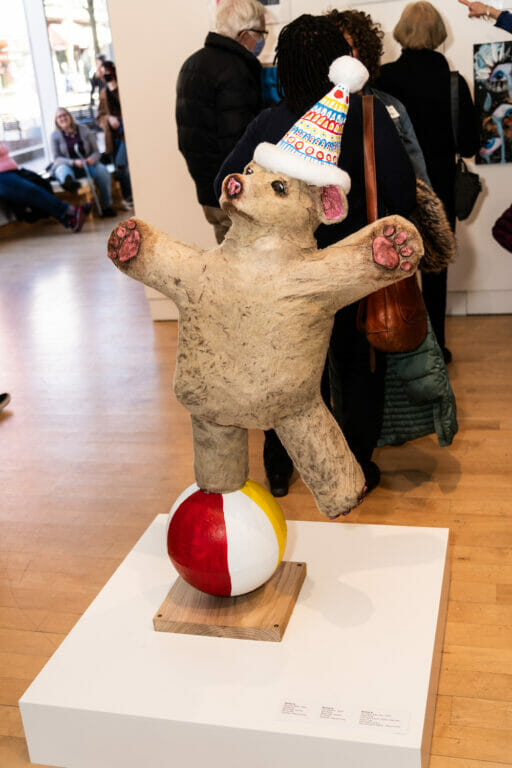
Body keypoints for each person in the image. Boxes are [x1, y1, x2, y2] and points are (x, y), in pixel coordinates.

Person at [214, 14, 417, 497]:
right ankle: (356, 464)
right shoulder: (368, 116)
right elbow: (404, 196)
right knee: (356, 367)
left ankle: (281, 470)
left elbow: (225, 183)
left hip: (284, 276)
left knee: (288, 369)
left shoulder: (270, 122)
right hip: (351, 272)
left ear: (282, 67)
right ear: (338, 61)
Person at [378, 1, 479, 364]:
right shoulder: (454, 83)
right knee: (435, 268)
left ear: (402, 33)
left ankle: (394, 341)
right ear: (439, 35)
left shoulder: (383, 79)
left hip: (393, 183)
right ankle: (436, 347)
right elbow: (468, 145)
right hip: (440, 184)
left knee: (390, 263)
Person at [176, 0, 266, 243]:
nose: (262, 41)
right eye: (261, 34)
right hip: (235, 194)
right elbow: (239, 143)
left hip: (208, 191)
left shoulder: (191, 64)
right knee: (246, 269)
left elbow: (188, 138)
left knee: (226, 263)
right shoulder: (235, 70)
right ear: (245, 34)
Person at [325, 9, 431, 185]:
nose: (343, 57)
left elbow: (417, 174)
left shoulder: (390, 105)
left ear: (365, 50)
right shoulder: (315, 108)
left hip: (385, 207)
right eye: (335, 49)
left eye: (349, 48)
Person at [0, 142, 89, 232]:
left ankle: (70, 218)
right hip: (2, 176)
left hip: (12, 171)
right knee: (32, 191)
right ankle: (70, 212)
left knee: (41, 183)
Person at [51, 107, 116, 217]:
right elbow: (56, 158)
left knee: (102, 171)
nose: (63, 118)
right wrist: (73, 162)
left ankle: (106, 205)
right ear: (56, 121)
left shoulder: (84, 129)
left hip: (87, 163)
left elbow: (96, 151)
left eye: (64, 115)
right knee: (62, 169)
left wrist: (91, 159)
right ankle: (68, 182)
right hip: (68, 165)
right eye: (59, 116)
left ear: (69, 116)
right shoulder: (55, 136)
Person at [96, 61, 133, 210]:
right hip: (113, 137)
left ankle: (130, 197)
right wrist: (109, 119)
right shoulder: (104, 93)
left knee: (121, 164)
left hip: (127, 134)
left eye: (108, 72)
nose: (106, 75)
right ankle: (128, 198)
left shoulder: (124, 89)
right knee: (120, 168)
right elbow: (99, 117)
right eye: (103, 72)